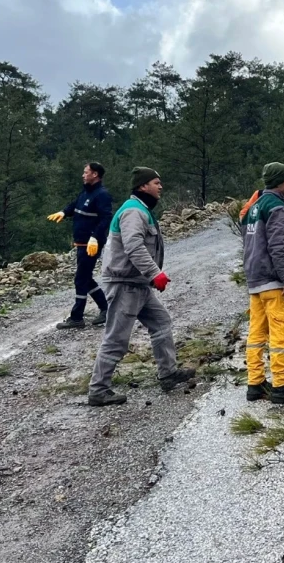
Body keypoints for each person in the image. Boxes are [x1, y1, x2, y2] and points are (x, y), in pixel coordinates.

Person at [88, 167, 194, 407]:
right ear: (143, 186)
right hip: (125, 284)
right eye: (156, 182)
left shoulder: (141, 209)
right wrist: (155, 273)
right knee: (116, 339)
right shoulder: (134, 212)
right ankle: (98, 390)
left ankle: (168, 374)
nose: (161, 186)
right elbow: (133, 246)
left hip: (138, 284)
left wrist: (148, 277)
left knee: (161, 322)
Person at [242, 162, 284, 405]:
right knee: (280, 333)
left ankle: (256, 383)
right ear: (280, 182)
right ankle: (282, 385)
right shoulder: (277, 207)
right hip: (272, 281)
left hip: (254, 279)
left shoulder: (254, 207)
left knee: (256, 333)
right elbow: (279, 246)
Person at [47, 161, 114, 329]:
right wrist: (63, 212)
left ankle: (77, 317)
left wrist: (95, 237)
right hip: (81, 243)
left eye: (86, 172)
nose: (83, 175)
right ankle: (106, 308)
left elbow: (106, 218)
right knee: (85, 278)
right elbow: (75, 204)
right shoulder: (86, 192)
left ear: (95, 174)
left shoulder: (102, 195)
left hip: (91, 244)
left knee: (81, 279)